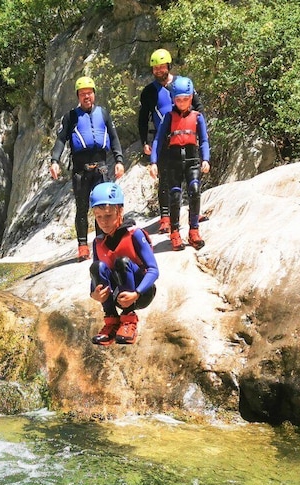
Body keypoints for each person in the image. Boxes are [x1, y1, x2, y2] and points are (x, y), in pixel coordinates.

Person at [50, 76, 125, 261]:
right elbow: (61, 140)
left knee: (103, 207)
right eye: (83, 94)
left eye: (89, 93)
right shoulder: (71, 117)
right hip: (81, 170)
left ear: (94, 94)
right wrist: (54, 160)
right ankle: (83, 247)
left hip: (100, 168)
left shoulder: (104, 114)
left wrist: (119, 160)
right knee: (82, 208)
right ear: (78, 96)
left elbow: (114, 138)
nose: (86, 97)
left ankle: (102, 243)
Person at [137, 48, 204, 234]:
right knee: (165, 179)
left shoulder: (184, 84)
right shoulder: (149, 92)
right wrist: (145, 141)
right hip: (163, 139)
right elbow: (143, 119)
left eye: (162, 67)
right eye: (155, 68)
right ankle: (165, 218)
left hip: (187, 136)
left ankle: (193, 214)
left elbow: (198, 107)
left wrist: (199, 131)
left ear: (168, 66)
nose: (159, 70)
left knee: (192, 178)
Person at [88, 182, 158, 345]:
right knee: (97, 267)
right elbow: (96, 275)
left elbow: (154, 270)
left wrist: (137, 293)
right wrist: (93, 293)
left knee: (122, 262)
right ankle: (111, 322)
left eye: (108, 215)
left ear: (120, 211)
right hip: (117, 294)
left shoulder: (135, 234)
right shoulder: (98, 242)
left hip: (141, 293)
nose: (104, 222)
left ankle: (129, 320)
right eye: (99, 217)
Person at [149, 76, 210, 251]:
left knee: (195, 191)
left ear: (191, 98)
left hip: (192, 160)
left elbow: (204, 140)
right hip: (173, 160)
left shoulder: (197, 117)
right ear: (173, 99)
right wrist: (153, 161)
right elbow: (159, 140)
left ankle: (194, 231)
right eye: (178, 99)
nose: (182, 103)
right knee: (175, 196)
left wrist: (205, 158)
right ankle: (174, 233)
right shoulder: (168, 117)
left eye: (185, 99)